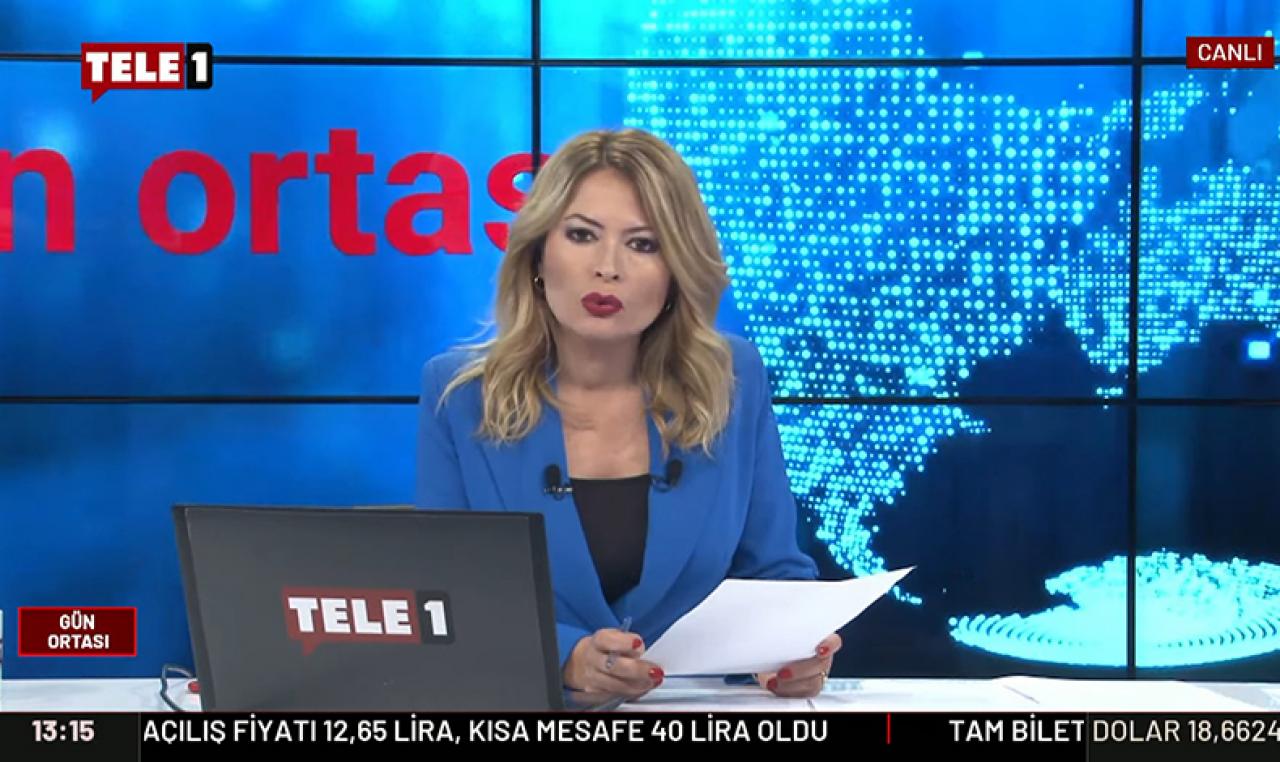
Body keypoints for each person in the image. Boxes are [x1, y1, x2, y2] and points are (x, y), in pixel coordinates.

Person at [416, 127, 840, 702]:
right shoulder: (460, 396)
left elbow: (775, 573)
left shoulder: (731, 380)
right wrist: (564, 658)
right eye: (582, 235)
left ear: (675, 272)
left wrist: (788, 651)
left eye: (642, 244)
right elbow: (445, 598)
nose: (607, 267)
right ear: (538, 253)